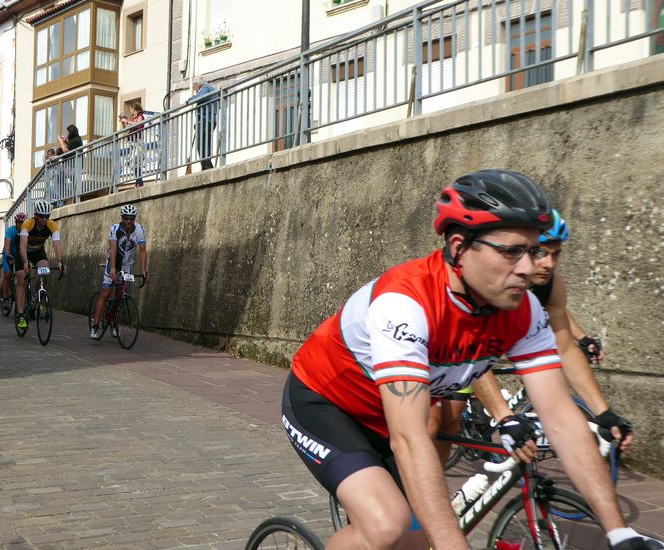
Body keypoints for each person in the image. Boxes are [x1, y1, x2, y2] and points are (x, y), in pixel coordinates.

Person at [281, 169, 662, 550]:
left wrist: (619, 533)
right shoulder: (405, 304)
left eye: (533, 250)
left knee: (418, 537)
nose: (529, 268)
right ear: (459, 247)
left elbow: (561, 418)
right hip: (327, 404)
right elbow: (410, 439)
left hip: (392, 415)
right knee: (388, 526)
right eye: (511, 251)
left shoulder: (522, 309)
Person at [429, 208, 635, 465]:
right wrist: (505, 417)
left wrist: (603, 413)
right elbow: (474, 356)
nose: (549, 264)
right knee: (435, 425)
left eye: (556, 254)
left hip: (479, 351)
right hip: (445, 353)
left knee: (449, 427)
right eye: (540, 252)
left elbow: (565, 348)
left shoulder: (550, 284)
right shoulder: (491, 285)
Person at [90, 204, 149, 339]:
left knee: (119, 296)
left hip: (127, 265)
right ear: (122, 218)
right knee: (106, 293)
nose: (129, 221)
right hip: (114, 262)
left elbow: (143, 251)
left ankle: (114, 322)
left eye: (131, 219)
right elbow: (113, 250)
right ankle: (95, 325)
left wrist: (144, 270)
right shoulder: (115, 229)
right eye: (126, 218)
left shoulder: (140, 230)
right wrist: (112, 269)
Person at [14, 200, 66, 331]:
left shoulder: (52, 225)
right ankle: (20, 315)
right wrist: (25, 262)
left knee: (45, 270)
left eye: (47, 216)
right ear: (36, 215)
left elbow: (57, 244)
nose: (44, 219)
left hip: (38, 252)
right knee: (21, 279)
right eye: (42, 216)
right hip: (24, 252)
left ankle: (37, 296)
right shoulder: (27, 224)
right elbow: (22, 247)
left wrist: (60, 261)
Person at [187, 77, 219, 171]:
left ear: (198, 84)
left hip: (205, 121)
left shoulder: (206, 88)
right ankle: (206, 165)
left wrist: (189, 100)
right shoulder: (209, 88)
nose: (194, 89)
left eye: (194, 87)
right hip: (206, 120)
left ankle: (207, 166)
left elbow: (199, 97)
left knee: (201, 144)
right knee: (205, 143)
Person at [0, 212, 27, 311]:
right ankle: (5, 298)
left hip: (19, 255)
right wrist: (8, 255)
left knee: (24, 276)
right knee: (7, 274)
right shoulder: (10, 230)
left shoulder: (27, 231)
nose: (21, 225)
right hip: (9, 254)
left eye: (23, 222)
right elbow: (7, 244)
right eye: (19, 222)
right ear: (16, 222)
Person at [119, 103, 147, 187]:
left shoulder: (140, 116)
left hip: (138, 142)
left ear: (134, 108)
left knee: (136, 161)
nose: (130, 110)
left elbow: (138, 124)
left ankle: (139, 182)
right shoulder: (133, 119)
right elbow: (126, 129)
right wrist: (123, 122)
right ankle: (138, 182)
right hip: (132, 143)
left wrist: (127, 121)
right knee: (133, 163)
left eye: (131, 108)